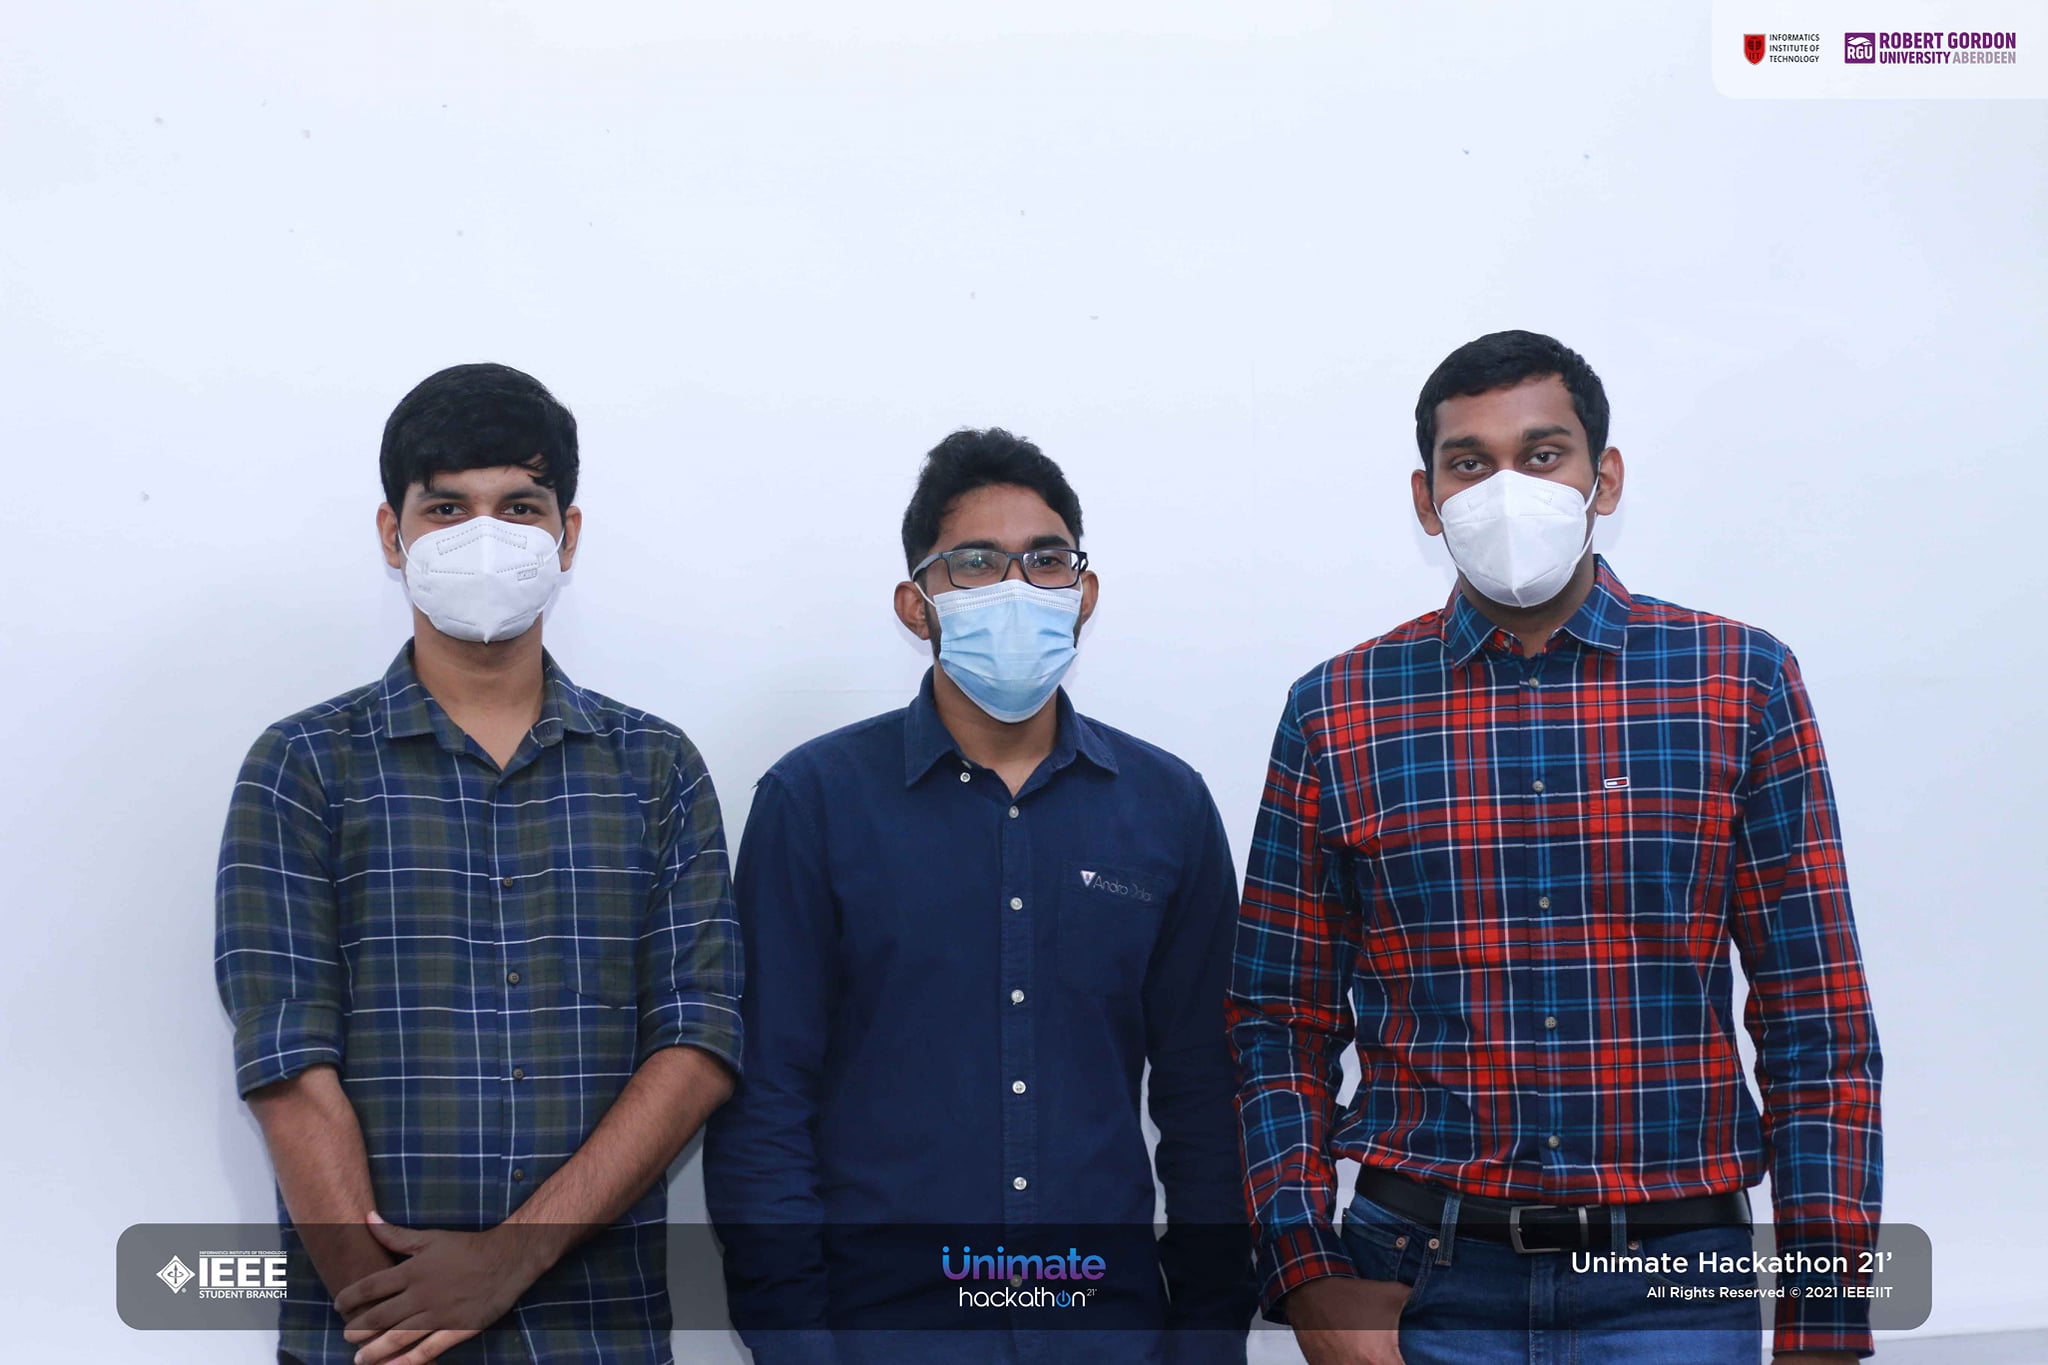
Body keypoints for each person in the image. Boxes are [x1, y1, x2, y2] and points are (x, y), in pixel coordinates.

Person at [1227, 331, 1882, 1365]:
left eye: (1541, 455)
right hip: (1414, 1279)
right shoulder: (1337, 710)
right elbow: (1278, 1019)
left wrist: (1827, 1314)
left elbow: (1817, 1018)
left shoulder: (1737, 682)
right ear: (1426, 498)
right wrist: (1305, 1274)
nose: (1505, 489)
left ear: (1601, 478)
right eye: (1468, 462)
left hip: (1675, 1281)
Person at [213, 363, 742, 1365]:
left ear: (567, 536)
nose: (484, 537)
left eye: (520, 506)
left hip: (599, 1335)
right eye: (447, 508)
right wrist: (393, 1312)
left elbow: (697, 1044)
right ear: (393, 534)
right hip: (365, 1337)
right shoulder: (302, 768)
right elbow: (285, 1062)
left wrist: (507, 1260)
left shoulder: (656, 769)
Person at [704, 428, 1256, 1364]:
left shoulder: (1166, 807)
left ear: (1083, 594)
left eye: (1045, 560)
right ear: (915, 604)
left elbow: (1207, 1098)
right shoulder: (815, 802)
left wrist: (1206, 1336)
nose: (1015, 587)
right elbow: (766, 1102)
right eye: (974, 563)